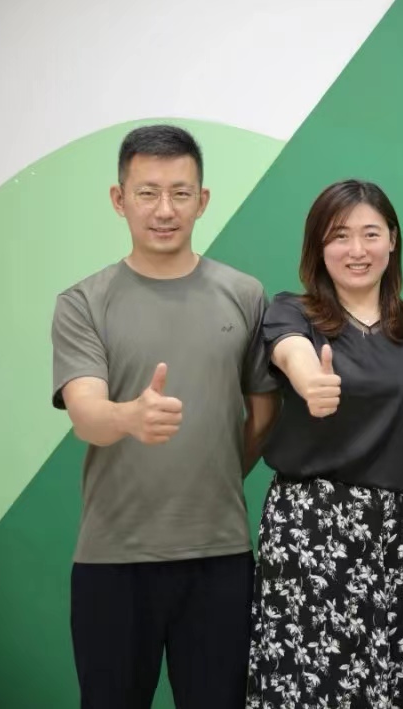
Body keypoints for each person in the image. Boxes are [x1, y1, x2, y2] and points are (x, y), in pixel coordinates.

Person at [50, 124, 279, 708]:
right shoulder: (83, 302)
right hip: (112, 560)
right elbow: (85, 414)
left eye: (180, 193)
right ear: (119, 199)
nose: (164, 209)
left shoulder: (245, 294)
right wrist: (129, 417)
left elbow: (263, 412)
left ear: (202, 200)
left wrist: (214, 469)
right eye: (147, 192)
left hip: (220, 558)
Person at [246, 179, 403, 709]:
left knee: (387, 684)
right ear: (318, 246)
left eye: (370, 234)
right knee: (302, 685)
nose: (356, 250)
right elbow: (290, 351)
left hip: (395, 535)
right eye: (339, 236)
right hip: (308, 530)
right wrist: (309, 380)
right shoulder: (292, 311)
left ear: (393, 240)